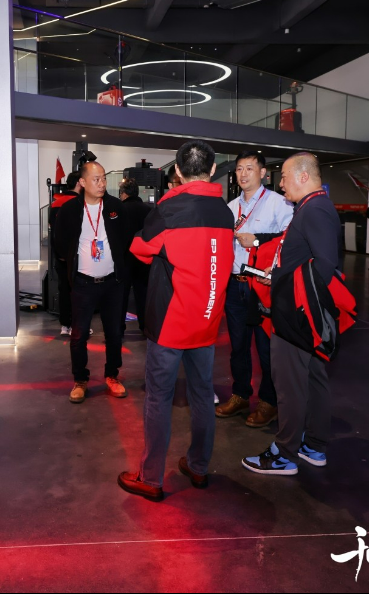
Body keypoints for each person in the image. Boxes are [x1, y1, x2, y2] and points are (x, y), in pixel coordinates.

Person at [117, 140, 234, 501]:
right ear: (212, 170)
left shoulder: (169, 209)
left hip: (171, 321)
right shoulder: (225, 213)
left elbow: (140, 248)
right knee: (202, 395)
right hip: (208, 319)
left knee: (158, 398)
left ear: (178, 172)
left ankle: (151, 477)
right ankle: (198, 466)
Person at [242, 152, 339, 477]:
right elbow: (306, 259)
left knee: (290, 386)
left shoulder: (315, 209)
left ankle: (284, 454)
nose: (280, 183)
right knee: (312, 379)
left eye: (284, 176)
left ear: (303, 176)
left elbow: (325, 265)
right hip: (302, 312)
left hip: (296, 314)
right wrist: (280, 272)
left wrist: (296, 301)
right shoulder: (312, 207)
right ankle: (314, 446)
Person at [215, 152, 294, 429]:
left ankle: (268, 402)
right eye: (239, 169)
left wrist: (258, 240)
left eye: (250, 168)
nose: (243, 174)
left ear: (263, 173)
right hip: (235, 285)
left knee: (266, 348)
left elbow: (290, 239)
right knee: (238, 346)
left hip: (261, 286)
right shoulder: (230, 207)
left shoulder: (278, 203)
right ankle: (240, 395)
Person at [54, 162, 131, 403]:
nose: (102, 184)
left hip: (112, 283)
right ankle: (80, 380)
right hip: (83, 284)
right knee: (78, 335)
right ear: (83, 182)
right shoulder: (69, 210)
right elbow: (60, 244)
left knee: (114, 333)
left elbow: (126, 238)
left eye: (104, 178)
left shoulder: (116, 207)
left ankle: (112, 376)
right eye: (96, 179)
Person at [52, 171, 83, 335]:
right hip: (77, 256)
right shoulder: (79, 203)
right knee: (79, 291)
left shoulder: (55, 203)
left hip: (60, 256)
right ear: (79, 183)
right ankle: (78, 325)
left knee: (64, 289)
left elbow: (54, 232)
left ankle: (65, 325)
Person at [118, 177, 151, 331]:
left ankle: (119, 327)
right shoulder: (148, 210)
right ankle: (145, 326)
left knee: (121, 294)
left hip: (124, 258)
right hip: (143, 257)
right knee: (142, 293)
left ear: (124, 194)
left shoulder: (120, 209)